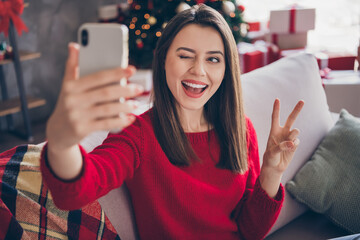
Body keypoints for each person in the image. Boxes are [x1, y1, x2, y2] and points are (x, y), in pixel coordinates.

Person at [41, 4, 304, 240]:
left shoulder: (241, 129)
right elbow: (75, 191)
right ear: (164, 60)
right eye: (185, 55)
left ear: (226, 70)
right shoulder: (138, 133)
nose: (198, 70)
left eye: (213, 59)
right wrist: (62, 143)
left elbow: (251, 231)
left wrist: (271, 172)